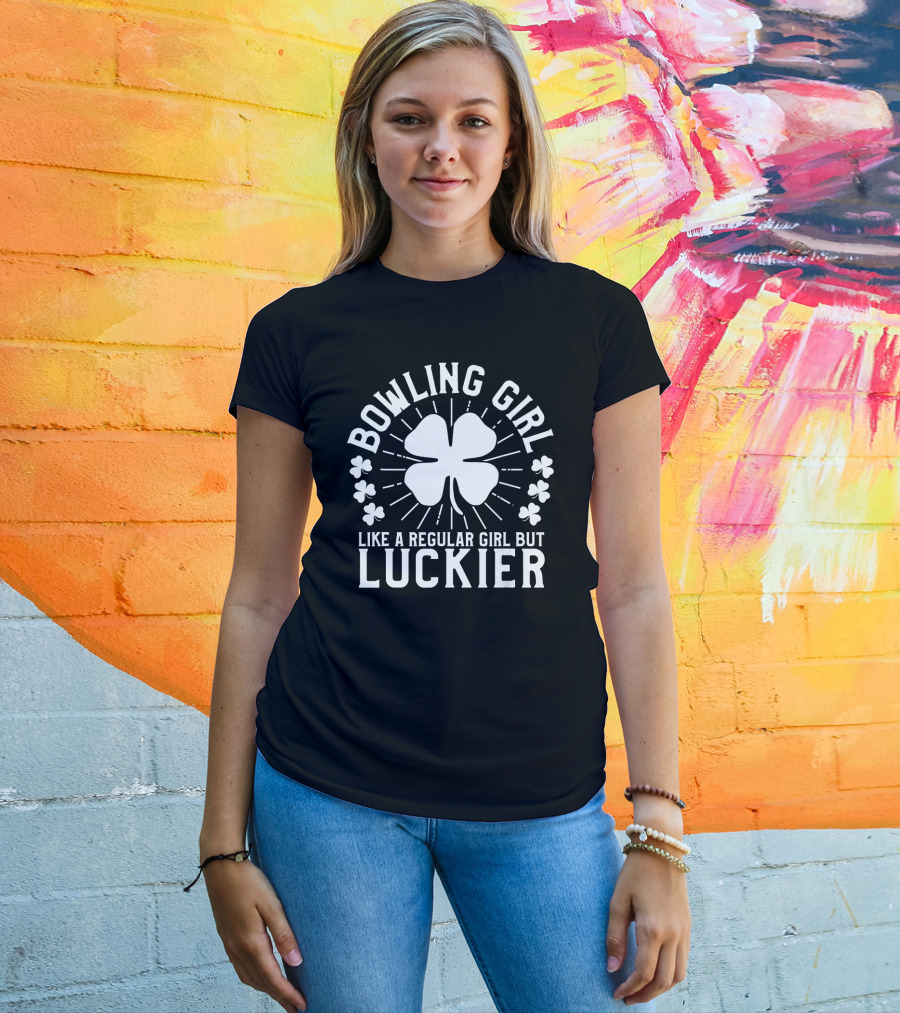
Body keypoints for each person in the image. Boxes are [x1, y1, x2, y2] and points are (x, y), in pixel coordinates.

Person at [191, 2, 692, 1010]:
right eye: (409, 118)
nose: (441, 149)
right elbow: (257, 594)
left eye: (474, 120)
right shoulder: (295, 333)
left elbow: (634, 586)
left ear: (511, 146)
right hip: (325, 785)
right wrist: (221, 844)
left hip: (542, 796)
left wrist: (658, 826)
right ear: (366, 137)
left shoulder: (595, 320)